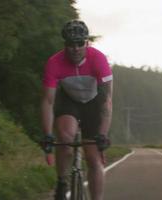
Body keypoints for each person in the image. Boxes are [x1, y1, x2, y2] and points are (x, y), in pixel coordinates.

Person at [40, 20, 113, 200]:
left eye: (80, 43)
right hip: (69, 101)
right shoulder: (54, 62)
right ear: (65, 44)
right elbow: (48, 101)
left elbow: (107, 101)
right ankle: (62, 181)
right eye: (70, 44)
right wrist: (48, 134)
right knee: (65, 139)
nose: (75, 48)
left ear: (86, 43)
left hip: (94, 102)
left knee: (93, 158)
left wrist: (102, 134)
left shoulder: (98, 60)